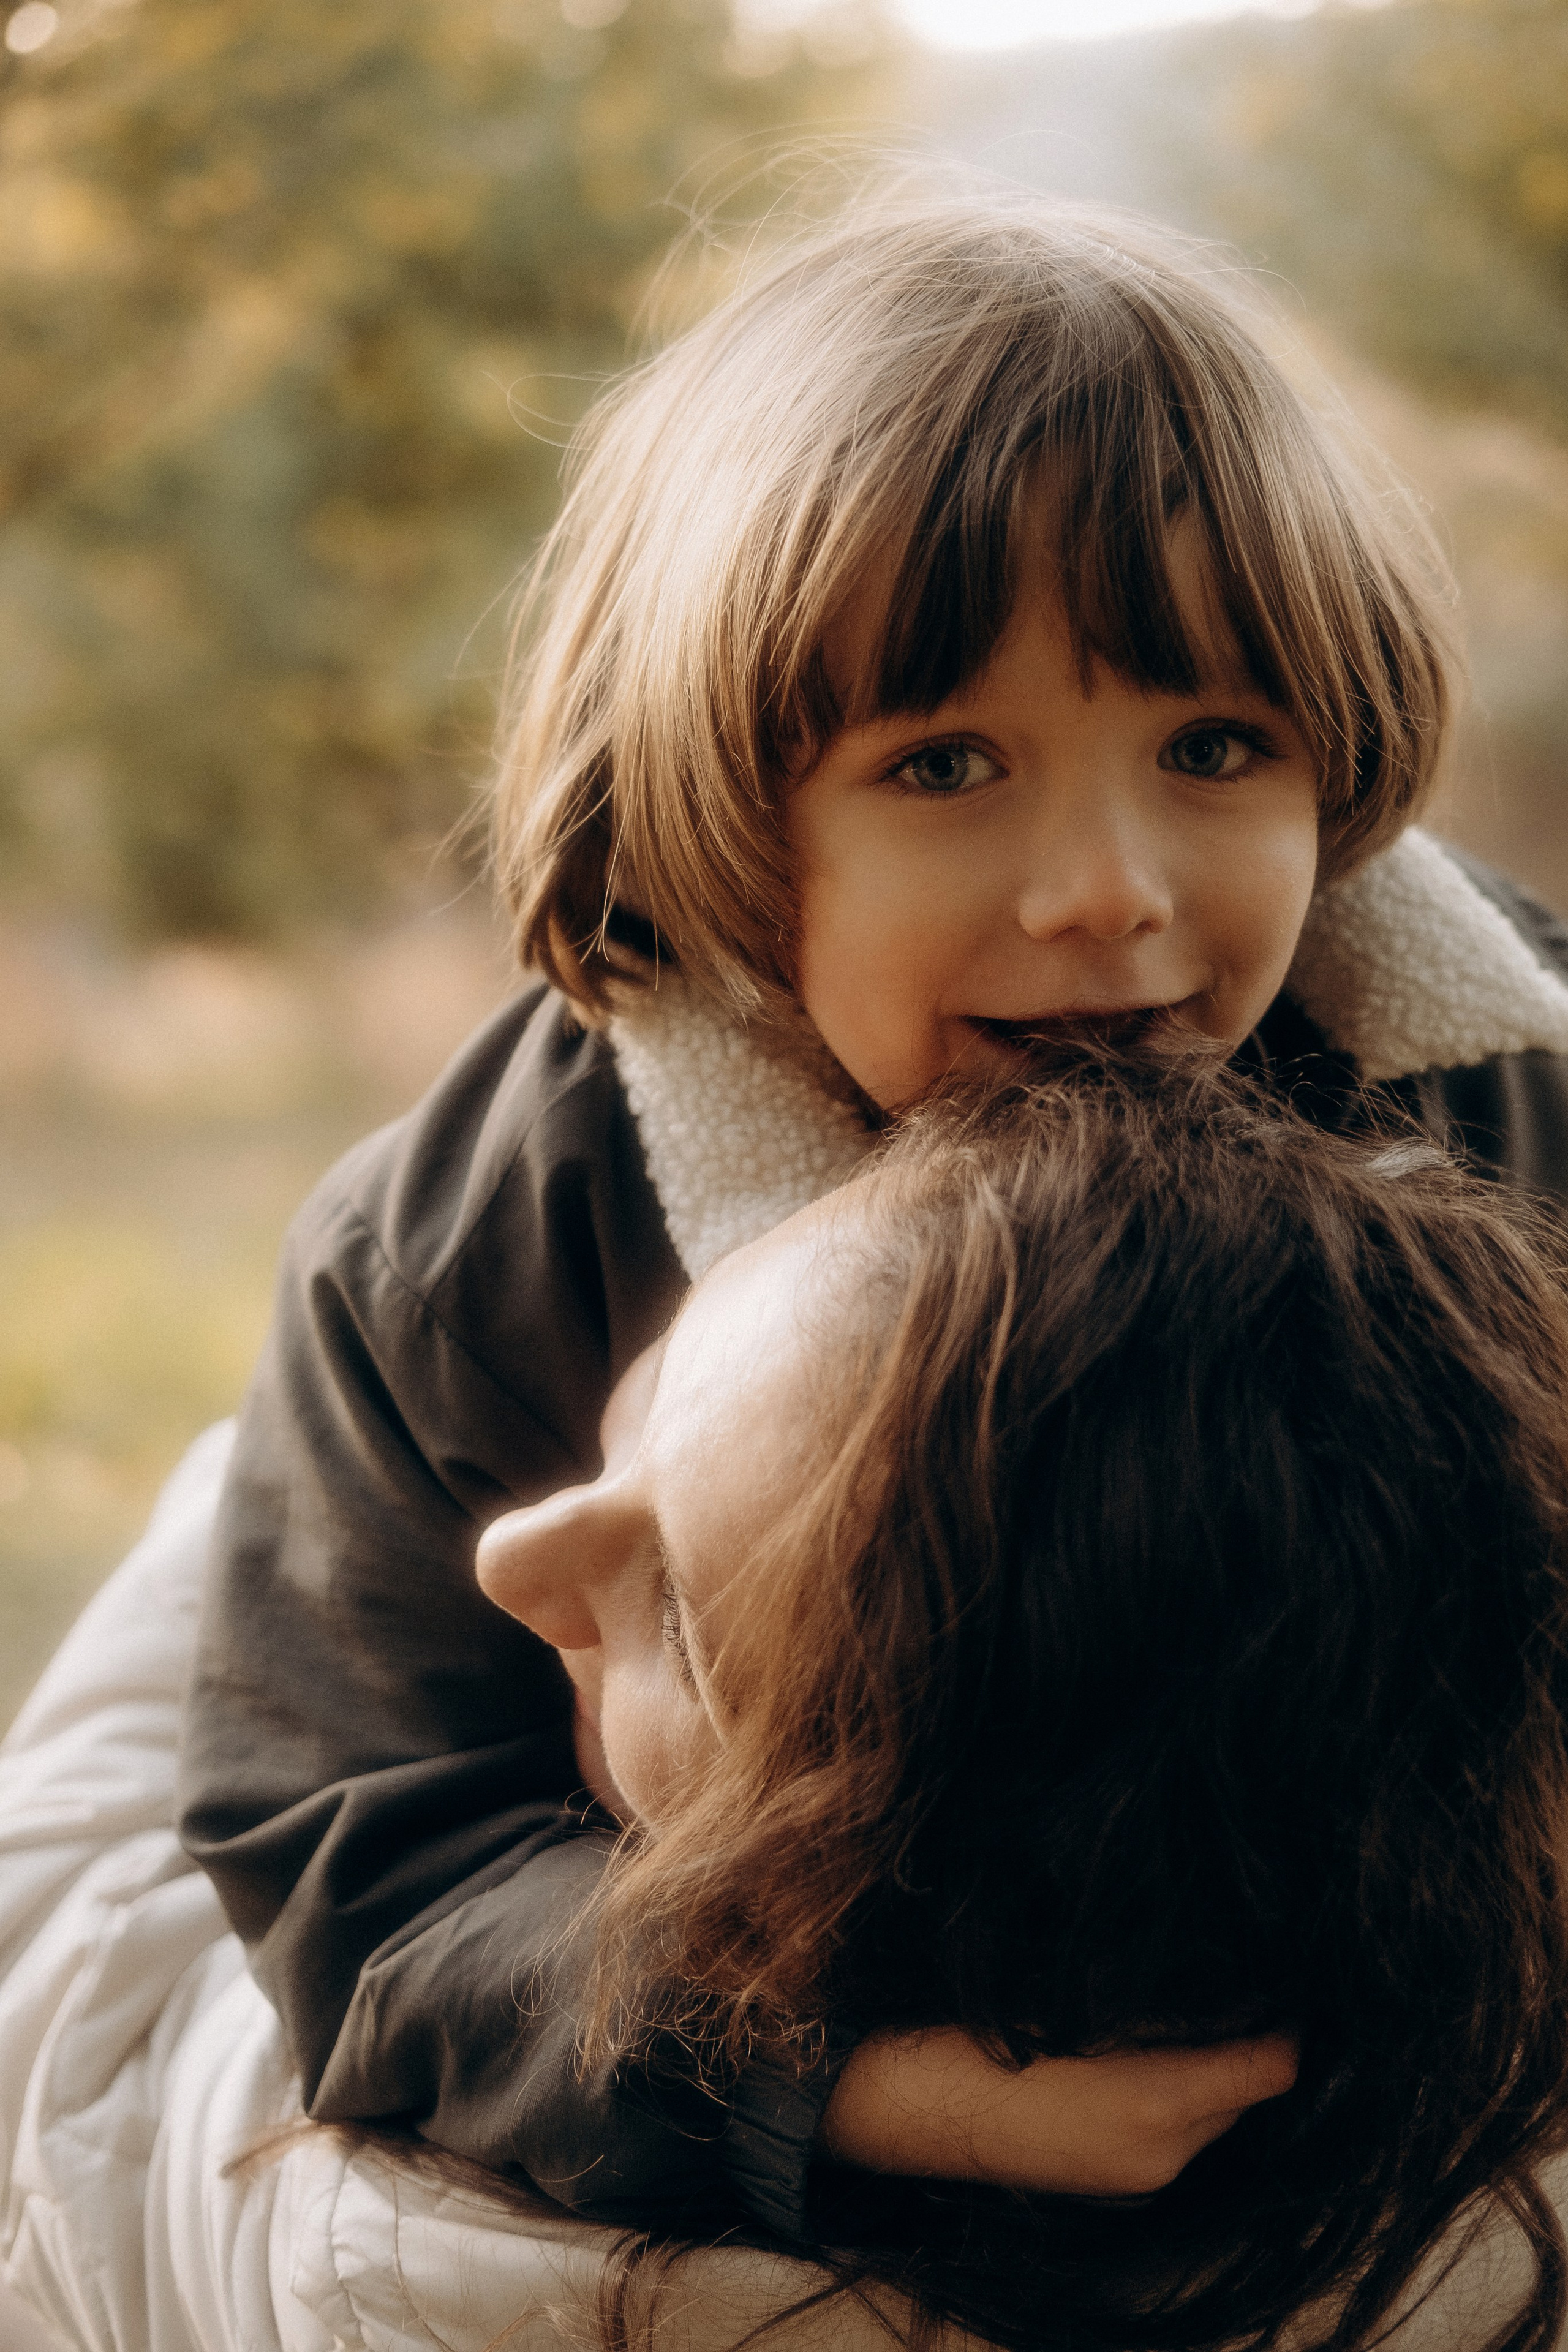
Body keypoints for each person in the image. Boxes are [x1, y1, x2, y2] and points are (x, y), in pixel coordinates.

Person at [176, 174, 1568, 2253]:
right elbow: (374, 1868)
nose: (1107, 885)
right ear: (719, 816)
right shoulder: (479, 1265)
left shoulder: (1497, 1107)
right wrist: (864, 2088)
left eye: (1213, 744)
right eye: (945, 765)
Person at [7, 1061, 1568, 2352]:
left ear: (830, 1921)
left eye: (677, 1615)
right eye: (681, 1351)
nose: (509, 1552)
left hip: (80, 2071)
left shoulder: (451, 2277)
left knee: (223, 1512)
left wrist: (839, 2092)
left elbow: (357, 1916)